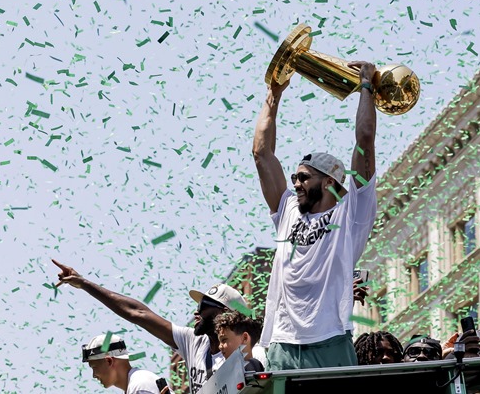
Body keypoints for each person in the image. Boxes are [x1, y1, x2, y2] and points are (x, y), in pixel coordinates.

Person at [252, 61, 379, 370]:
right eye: (295, 177)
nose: (295, 183)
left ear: (330, 182)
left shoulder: (352, 214)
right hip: (283, 343)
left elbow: (364, 140)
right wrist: (273, 94)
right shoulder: (289, 211)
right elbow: (261, 154)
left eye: (304, 178)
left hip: (331, 340)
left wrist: (366, 85)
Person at [53, 259, 247, 394]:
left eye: (204, 306)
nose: (196, 312)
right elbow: (138, 313)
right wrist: (84, 284)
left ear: (225, 314)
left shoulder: (244, 356)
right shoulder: (194, 342)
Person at [81, 334, 162, 394]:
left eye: (94, 367)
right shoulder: (137, 384)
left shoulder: (139, 387)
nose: (94, 375)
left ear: (109, 361)